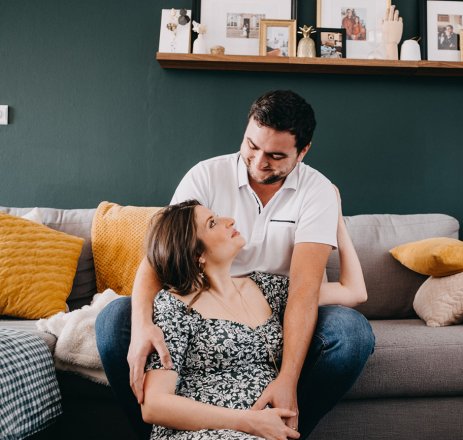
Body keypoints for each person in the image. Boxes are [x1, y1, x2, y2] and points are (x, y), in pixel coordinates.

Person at [96, 90, 376, 440]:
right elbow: (161, 255)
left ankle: (282, 425)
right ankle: (159, 431)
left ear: (302, 152)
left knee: (351, 333)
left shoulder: (315, 191)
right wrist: (142, 325)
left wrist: (286, 379)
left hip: (272, 304)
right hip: (201, 296)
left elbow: (304, 293)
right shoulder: (206, 176)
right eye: (251, 146)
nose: (259, 162)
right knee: (113, 320)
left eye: (275, 156)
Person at [141, 196, 366, 440]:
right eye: (213, 223)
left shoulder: (266, 287)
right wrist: (248, 422)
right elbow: (154, 405)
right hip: (203, 431)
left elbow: (354, 291)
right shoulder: (173, 306)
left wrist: (336, 220)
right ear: (197, 254)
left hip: (264, 431)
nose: (229, 221)